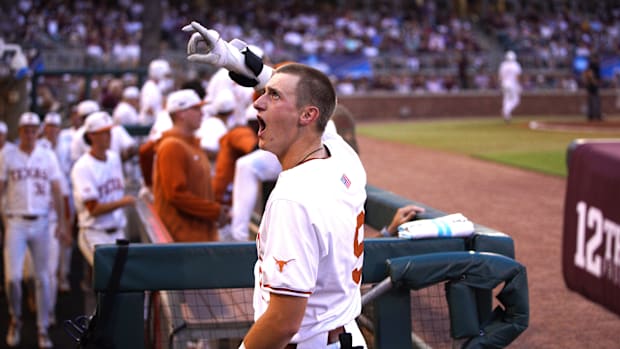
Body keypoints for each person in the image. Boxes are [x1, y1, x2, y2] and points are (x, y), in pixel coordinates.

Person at [184, 21, 368, 348]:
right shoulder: (343, 156)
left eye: (273, 96)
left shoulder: (293, 198)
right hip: (345, 335)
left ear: (307, 116)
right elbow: (320, 109)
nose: (256, 103)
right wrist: (234, 59)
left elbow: (283, 323)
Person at [0, 112, 68, 348]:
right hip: (16, 221)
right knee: (13, 279)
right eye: (25, 129)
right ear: (19, 132)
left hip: (42, 221)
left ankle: (42, 328)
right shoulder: (7, 155)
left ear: (37, 131)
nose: (29, 133)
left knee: (43, 278)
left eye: (32, 129)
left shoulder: (47, 155)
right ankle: (15, 319)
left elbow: (57, 190)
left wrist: (62, 223)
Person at [152, 89, 227, 242]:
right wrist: (215, 211)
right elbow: (176, 194)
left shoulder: (192, 144)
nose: (202, 113)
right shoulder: (171, 145)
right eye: (196, 109)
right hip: (183, 239)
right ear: (181, 114)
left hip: (200, 234)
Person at [71, 111, 136, 266]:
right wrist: (123, 202)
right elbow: (93, 208)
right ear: (92, 136)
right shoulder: (82, 166)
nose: (109, 136)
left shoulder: (113, 158)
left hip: (117, 231)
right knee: (110, 279)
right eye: (104, 132)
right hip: (94, 233)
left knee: (120, 281)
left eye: (109, 131)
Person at [139, 58, 174, 125]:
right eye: (165, 74)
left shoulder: (156, 86)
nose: (166, 77)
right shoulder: (150, 88)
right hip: (149, 124)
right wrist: (162, 119)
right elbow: (148, 110)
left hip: (154, 123)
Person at [498, 50, 522, 123]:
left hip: (504, 84)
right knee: (516, 100)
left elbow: (500, 76)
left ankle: (507, 114)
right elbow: (517, 77)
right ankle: (506, 111)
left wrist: (500, 85)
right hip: (512, 84)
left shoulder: (503, 65)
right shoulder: (516, 65)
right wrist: (518, 85)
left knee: (506, 99)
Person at [583, 54, 602, 121]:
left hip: (591, 85)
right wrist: (594, 82)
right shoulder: (592, 65)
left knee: (592, 101)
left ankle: (591, 115)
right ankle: (596, 116)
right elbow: (589, 74)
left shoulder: (592, 65)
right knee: (595, 101)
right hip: (592, 86)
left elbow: (585, 74)